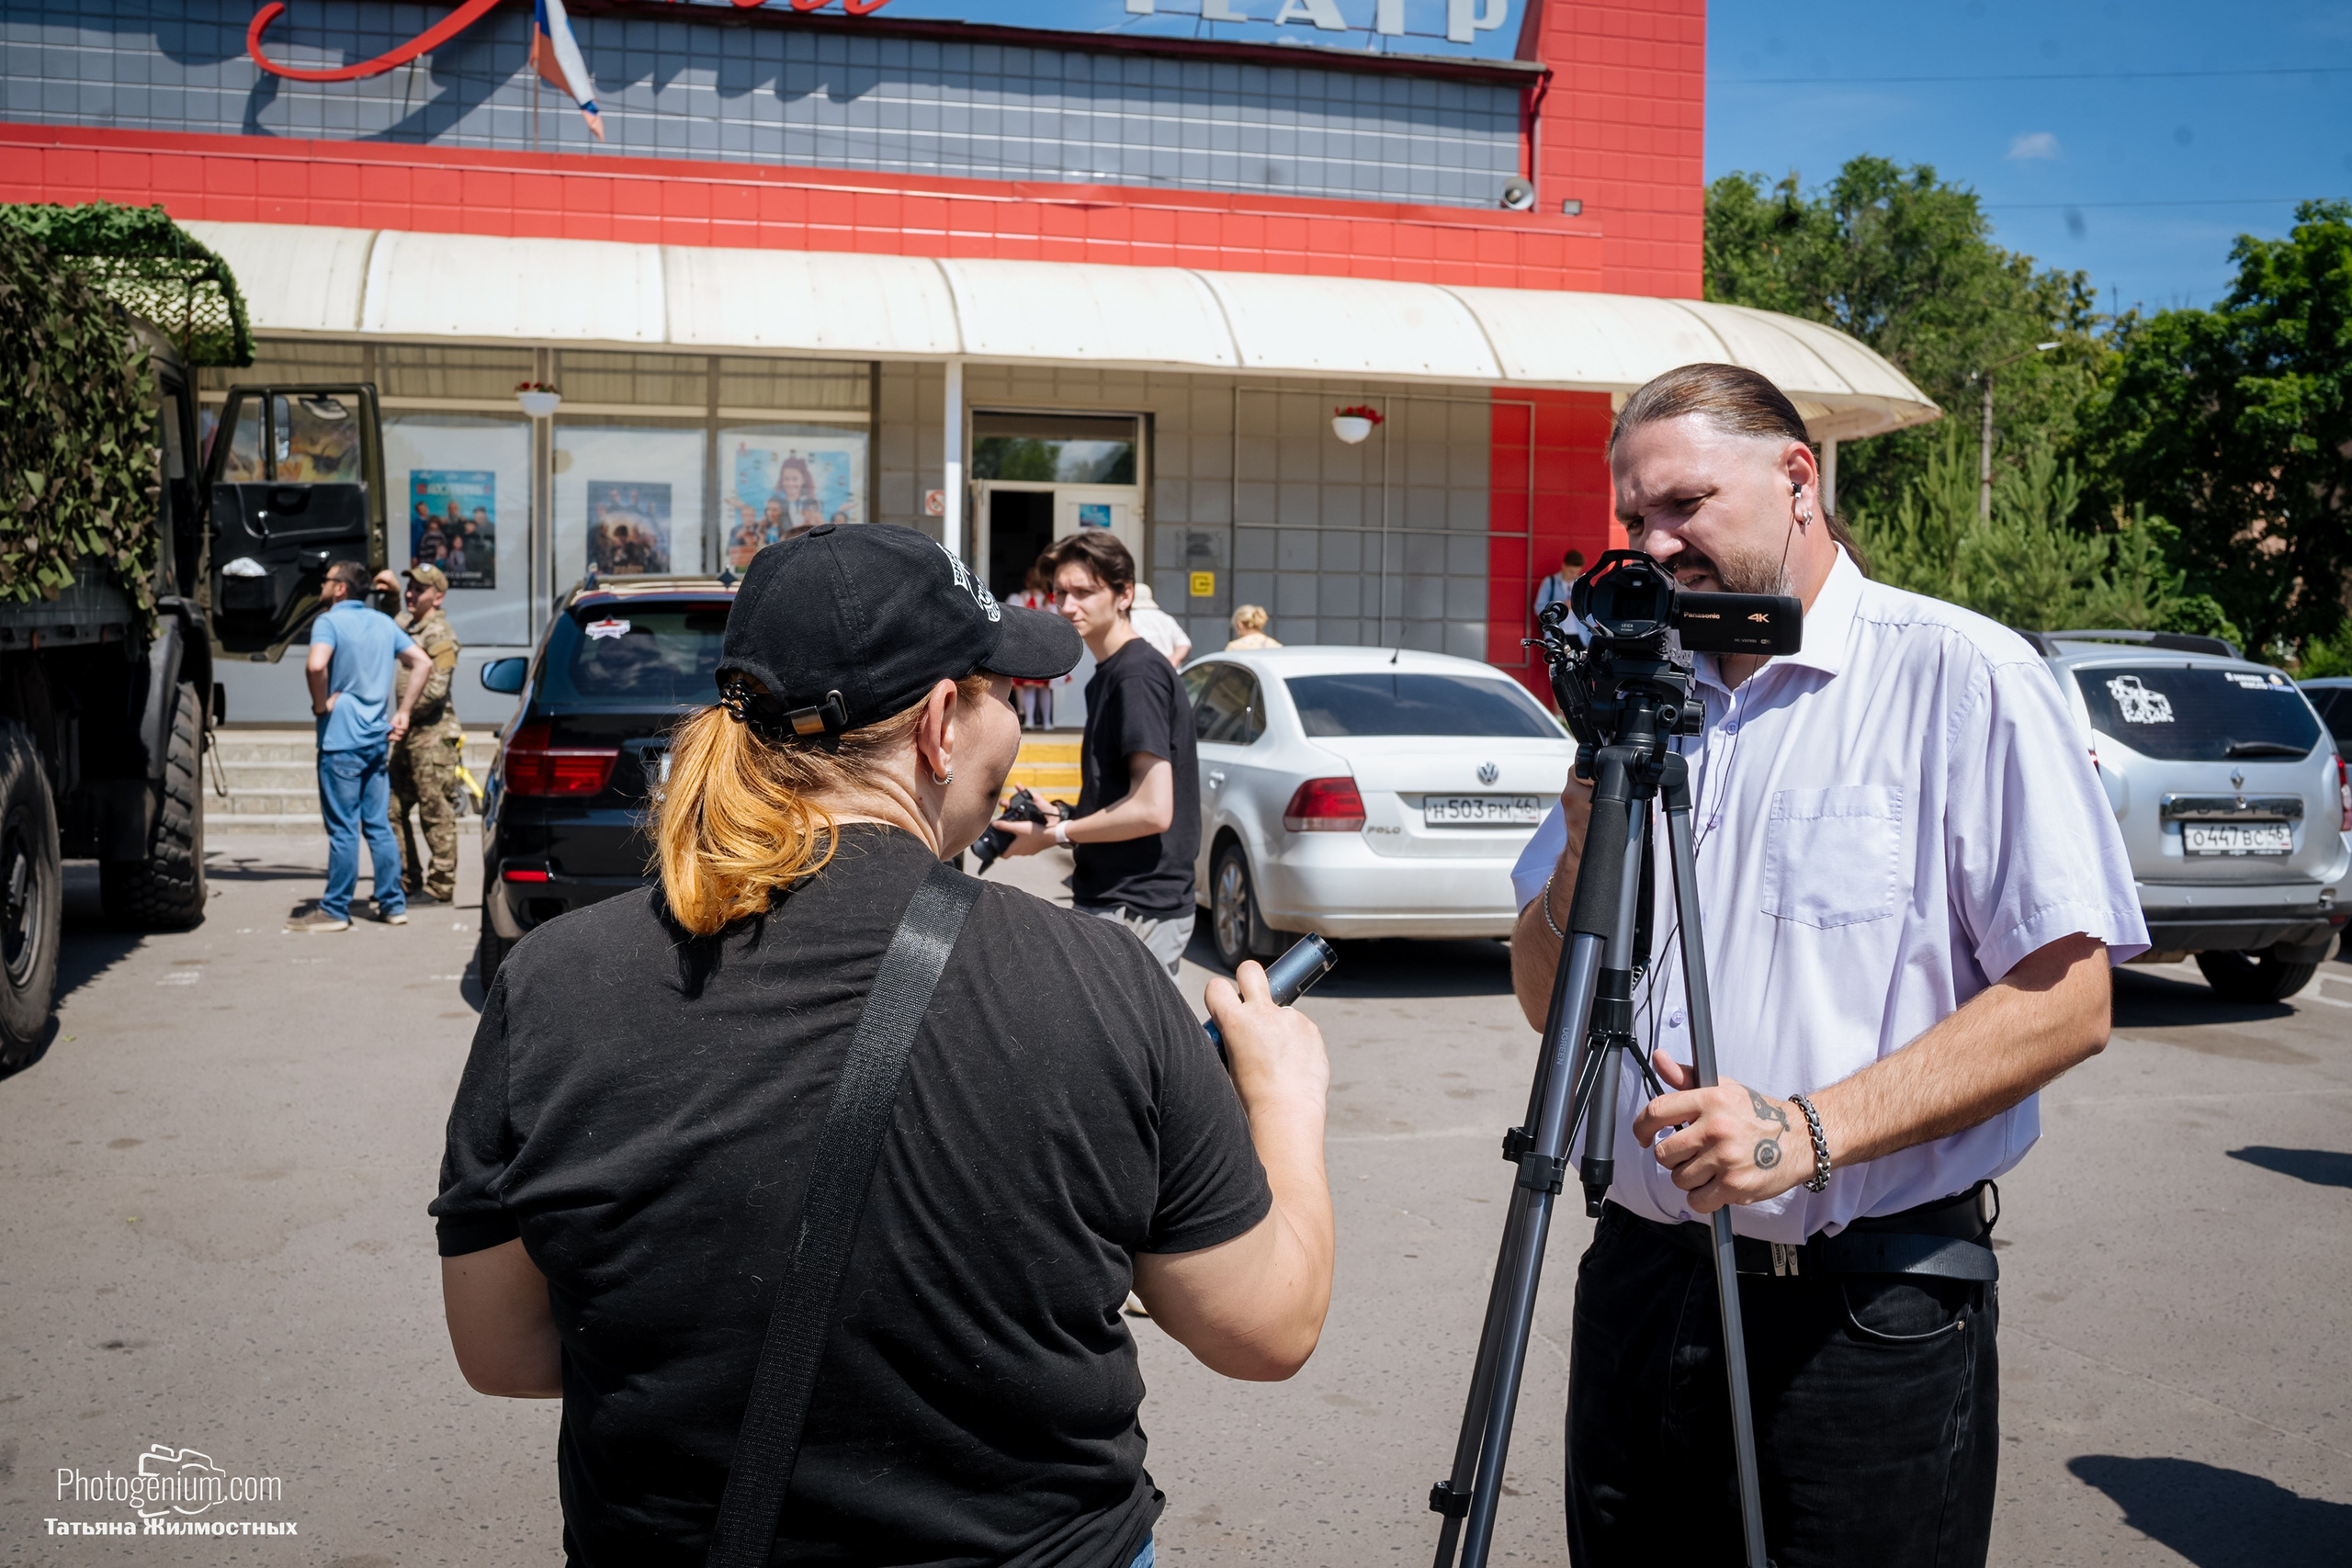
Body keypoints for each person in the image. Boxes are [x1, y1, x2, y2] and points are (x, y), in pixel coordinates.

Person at [430, 522, 1333, 1567]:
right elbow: (1266, 1328)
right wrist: (1284, 1097)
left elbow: (501, 1349)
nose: (1012, 722)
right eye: (1003, 693)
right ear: (942, 725)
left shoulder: (551, 981)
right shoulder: (1099, 980)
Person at [1507, 364, 2143, 1567]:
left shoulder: (1962, 674)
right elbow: (1547, 1000)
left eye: (1685, 504)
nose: (1654, 543)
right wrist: (1581, 854)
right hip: (1643, 1283)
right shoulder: (1638, 691)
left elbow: (2069, 998)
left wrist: (1807, 1129)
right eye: (1635, 517)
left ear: (1797, 478)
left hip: (1862, 1306)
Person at [997, 532, 1200, 978]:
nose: (1068, 606)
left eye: (1085, 592)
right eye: (1060, 593)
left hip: (1136, 905)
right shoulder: (1110, 674)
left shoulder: (1136, 676)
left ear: (1124, 594)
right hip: (1120, 898)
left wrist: (1056, 834)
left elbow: (1153, 810)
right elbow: (1126, 796)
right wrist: (1066, 815)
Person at [290, 560, 435, 932]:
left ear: (340, 588)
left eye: (326, 580)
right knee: (378, 826)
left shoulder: (329, 621)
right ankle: (392, 904)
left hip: (340, 740)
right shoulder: (383, 622)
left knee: (343, 829)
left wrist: (320, 706)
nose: (321, 585)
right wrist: (403, 712)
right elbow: (422, 662)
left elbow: (315, 666)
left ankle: (335, 909)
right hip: (375, 739)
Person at [389, 563, 464, 905]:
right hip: (408, 734)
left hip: (432, 736)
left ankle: (440, 886)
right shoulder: (409, 625)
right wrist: (389, 593)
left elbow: (436, 688)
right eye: (409, 588)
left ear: (437, 596)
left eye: (419, 589)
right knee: (392, 808)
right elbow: (388, 623)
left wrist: (403, 714)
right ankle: (408, 879)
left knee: (435, 812)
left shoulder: (440, 633)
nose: (411, 594)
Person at [1010, 560, 1057, 729]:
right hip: (1045, 649)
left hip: (1027, 648)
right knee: (1045, 688)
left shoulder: (1019, 599)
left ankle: (1029, 720)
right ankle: (1047, 722)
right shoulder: (1050, 601)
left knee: (1029, 687)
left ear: (1027, 581)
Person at [1126, 581, 1193, 667]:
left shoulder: (1127, 619)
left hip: (1140, 669)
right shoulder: (1165, 618)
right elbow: (1184, 643)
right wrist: (1173, 660)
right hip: (1166, 670)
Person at [1533, 547, 1589, 642]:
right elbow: (1539, 608)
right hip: (1556, 634)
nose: (1574, 575)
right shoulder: (1550, 582)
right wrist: (1561, 607)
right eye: (1571, 572)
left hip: (1580, 635)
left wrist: (1590, 638)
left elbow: (1589, 613)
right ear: (1564, 566)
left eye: (1577, 572)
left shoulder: (1582, 584)